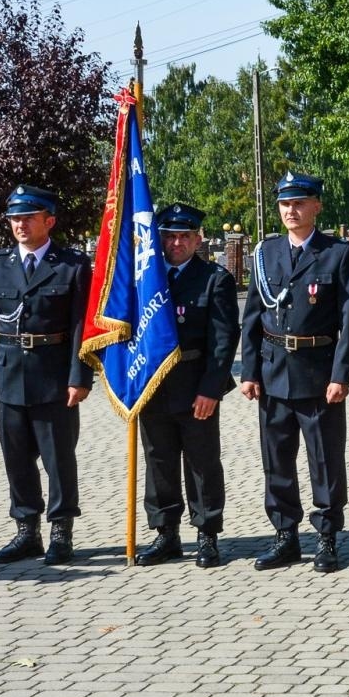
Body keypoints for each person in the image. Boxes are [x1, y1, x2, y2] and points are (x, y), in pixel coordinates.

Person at [238, 172, 349, 574]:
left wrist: (341, 376)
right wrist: (250, 372)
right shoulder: (265, 254)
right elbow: (252, 319)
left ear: (316, 206)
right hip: (274, 371)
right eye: (284, 204)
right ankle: (285, 536)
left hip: (317, 371)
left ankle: (327, 537)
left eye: (299, 203)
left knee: (324, 459)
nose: (291, 211)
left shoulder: (337, 254)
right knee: (276, 459)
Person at [0, 185, 93, 566]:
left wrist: (80, 377)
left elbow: (79, 327)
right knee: (17, 458)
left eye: (27, 217)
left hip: (53, 376)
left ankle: (61, 531)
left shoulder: (71, 266)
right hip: (7, 376)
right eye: (14, 218)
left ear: (48, 221)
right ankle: (27, 530)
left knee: (59, 459)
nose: (19, 224)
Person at [134, 203, 240, 568]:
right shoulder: (144, 279)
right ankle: (165, 533)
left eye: (184, 236)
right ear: (158, 239)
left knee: (202, 462)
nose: (176, 243)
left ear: (197, 239)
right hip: (153, 386)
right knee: (158, 461)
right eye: (169, 236)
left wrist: (211, 389)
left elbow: (224, 340)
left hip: (196, 384)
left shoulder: (214, 279)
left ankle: (207, 534)